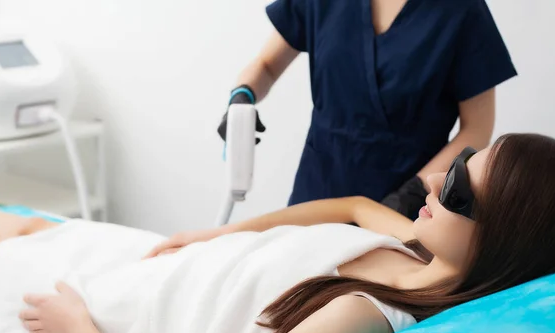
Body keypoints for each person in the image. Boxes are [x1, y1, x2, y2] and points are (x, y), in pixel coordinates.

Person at [0, 133, 555, 333]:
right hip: (176, 266)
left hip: (129, 319)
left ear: (502, 240)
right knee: (9, 222)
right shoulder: (418, 246)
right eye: (459, 160)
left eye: (458, 185)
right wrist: (218, 232)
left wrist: (77, 325)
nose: (434, 178)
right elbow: (352, 206)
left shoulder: (364, 315)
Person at [217, 0, 517, 220]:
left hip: (405, 207)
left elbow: (477, 129)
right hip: (316, 192)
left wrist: (412, 194)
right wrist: (243, 95)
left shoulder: (462, 12)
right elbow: (267, 66)